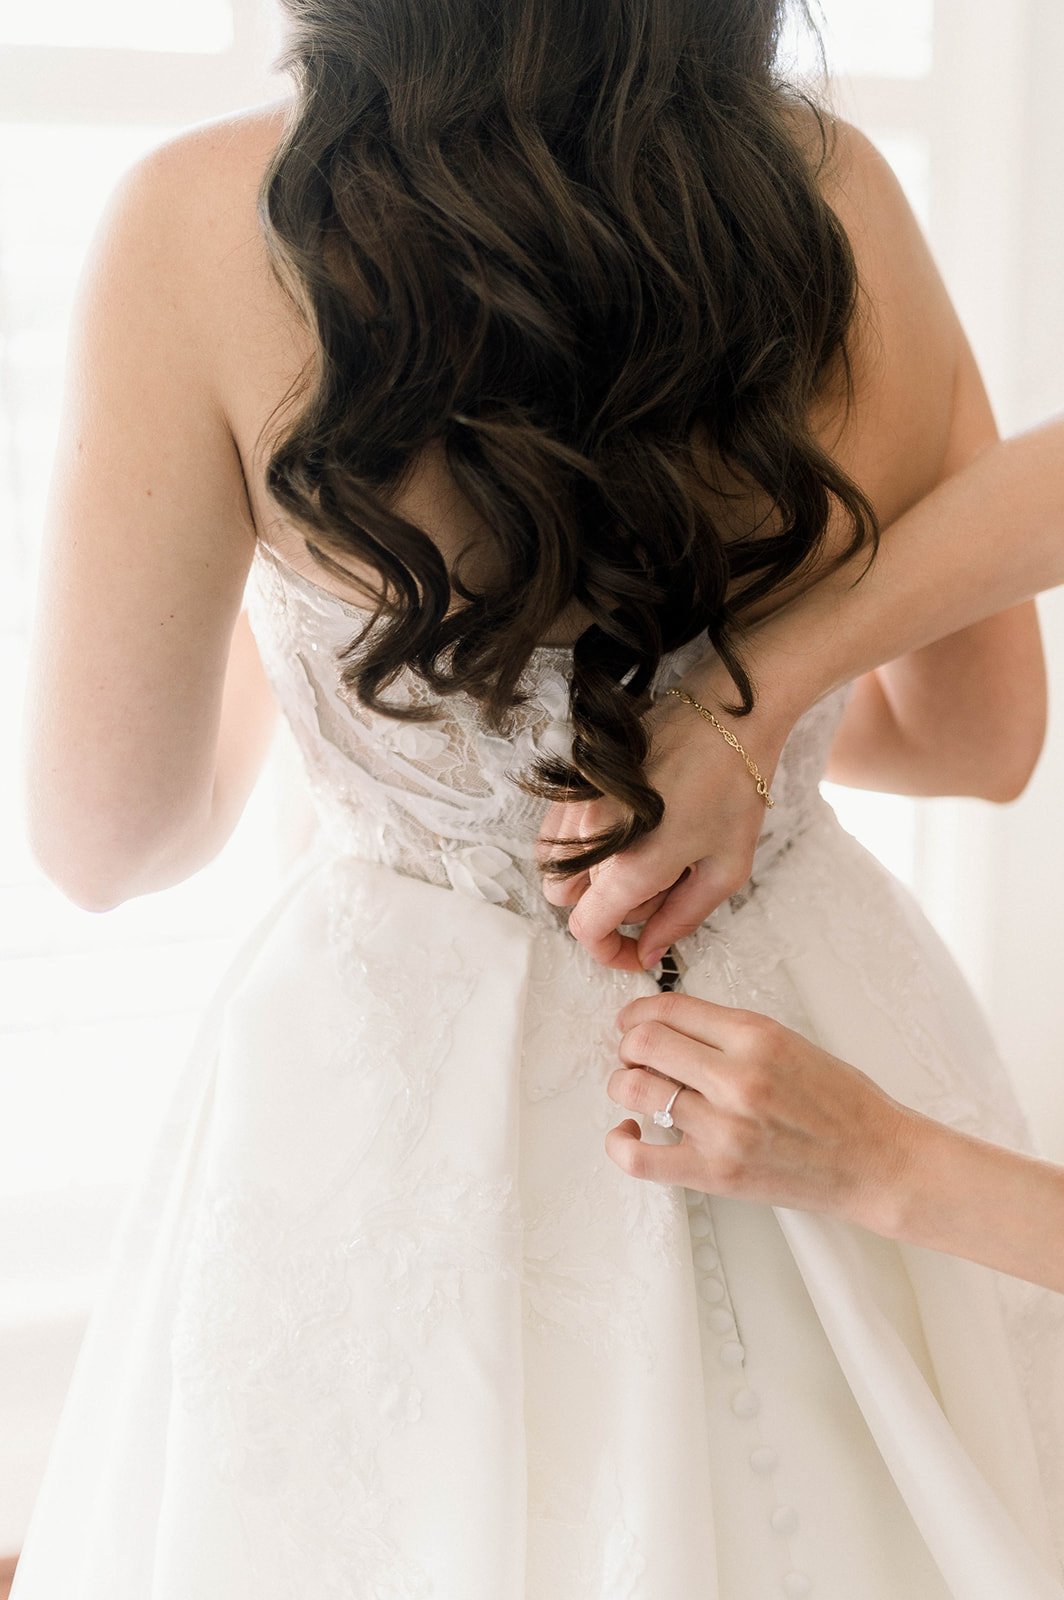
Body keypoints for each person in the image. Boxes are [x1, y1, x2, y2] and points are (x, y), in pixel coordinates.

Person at [13, 3, 1064, 1598]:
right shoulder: (831, 195)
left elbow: (113, 837)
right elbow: (983, 734)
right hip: (816, 1038)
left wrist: (317, 679)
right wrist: (754, 705)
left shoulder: (204, 225)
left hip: (386, 1095)